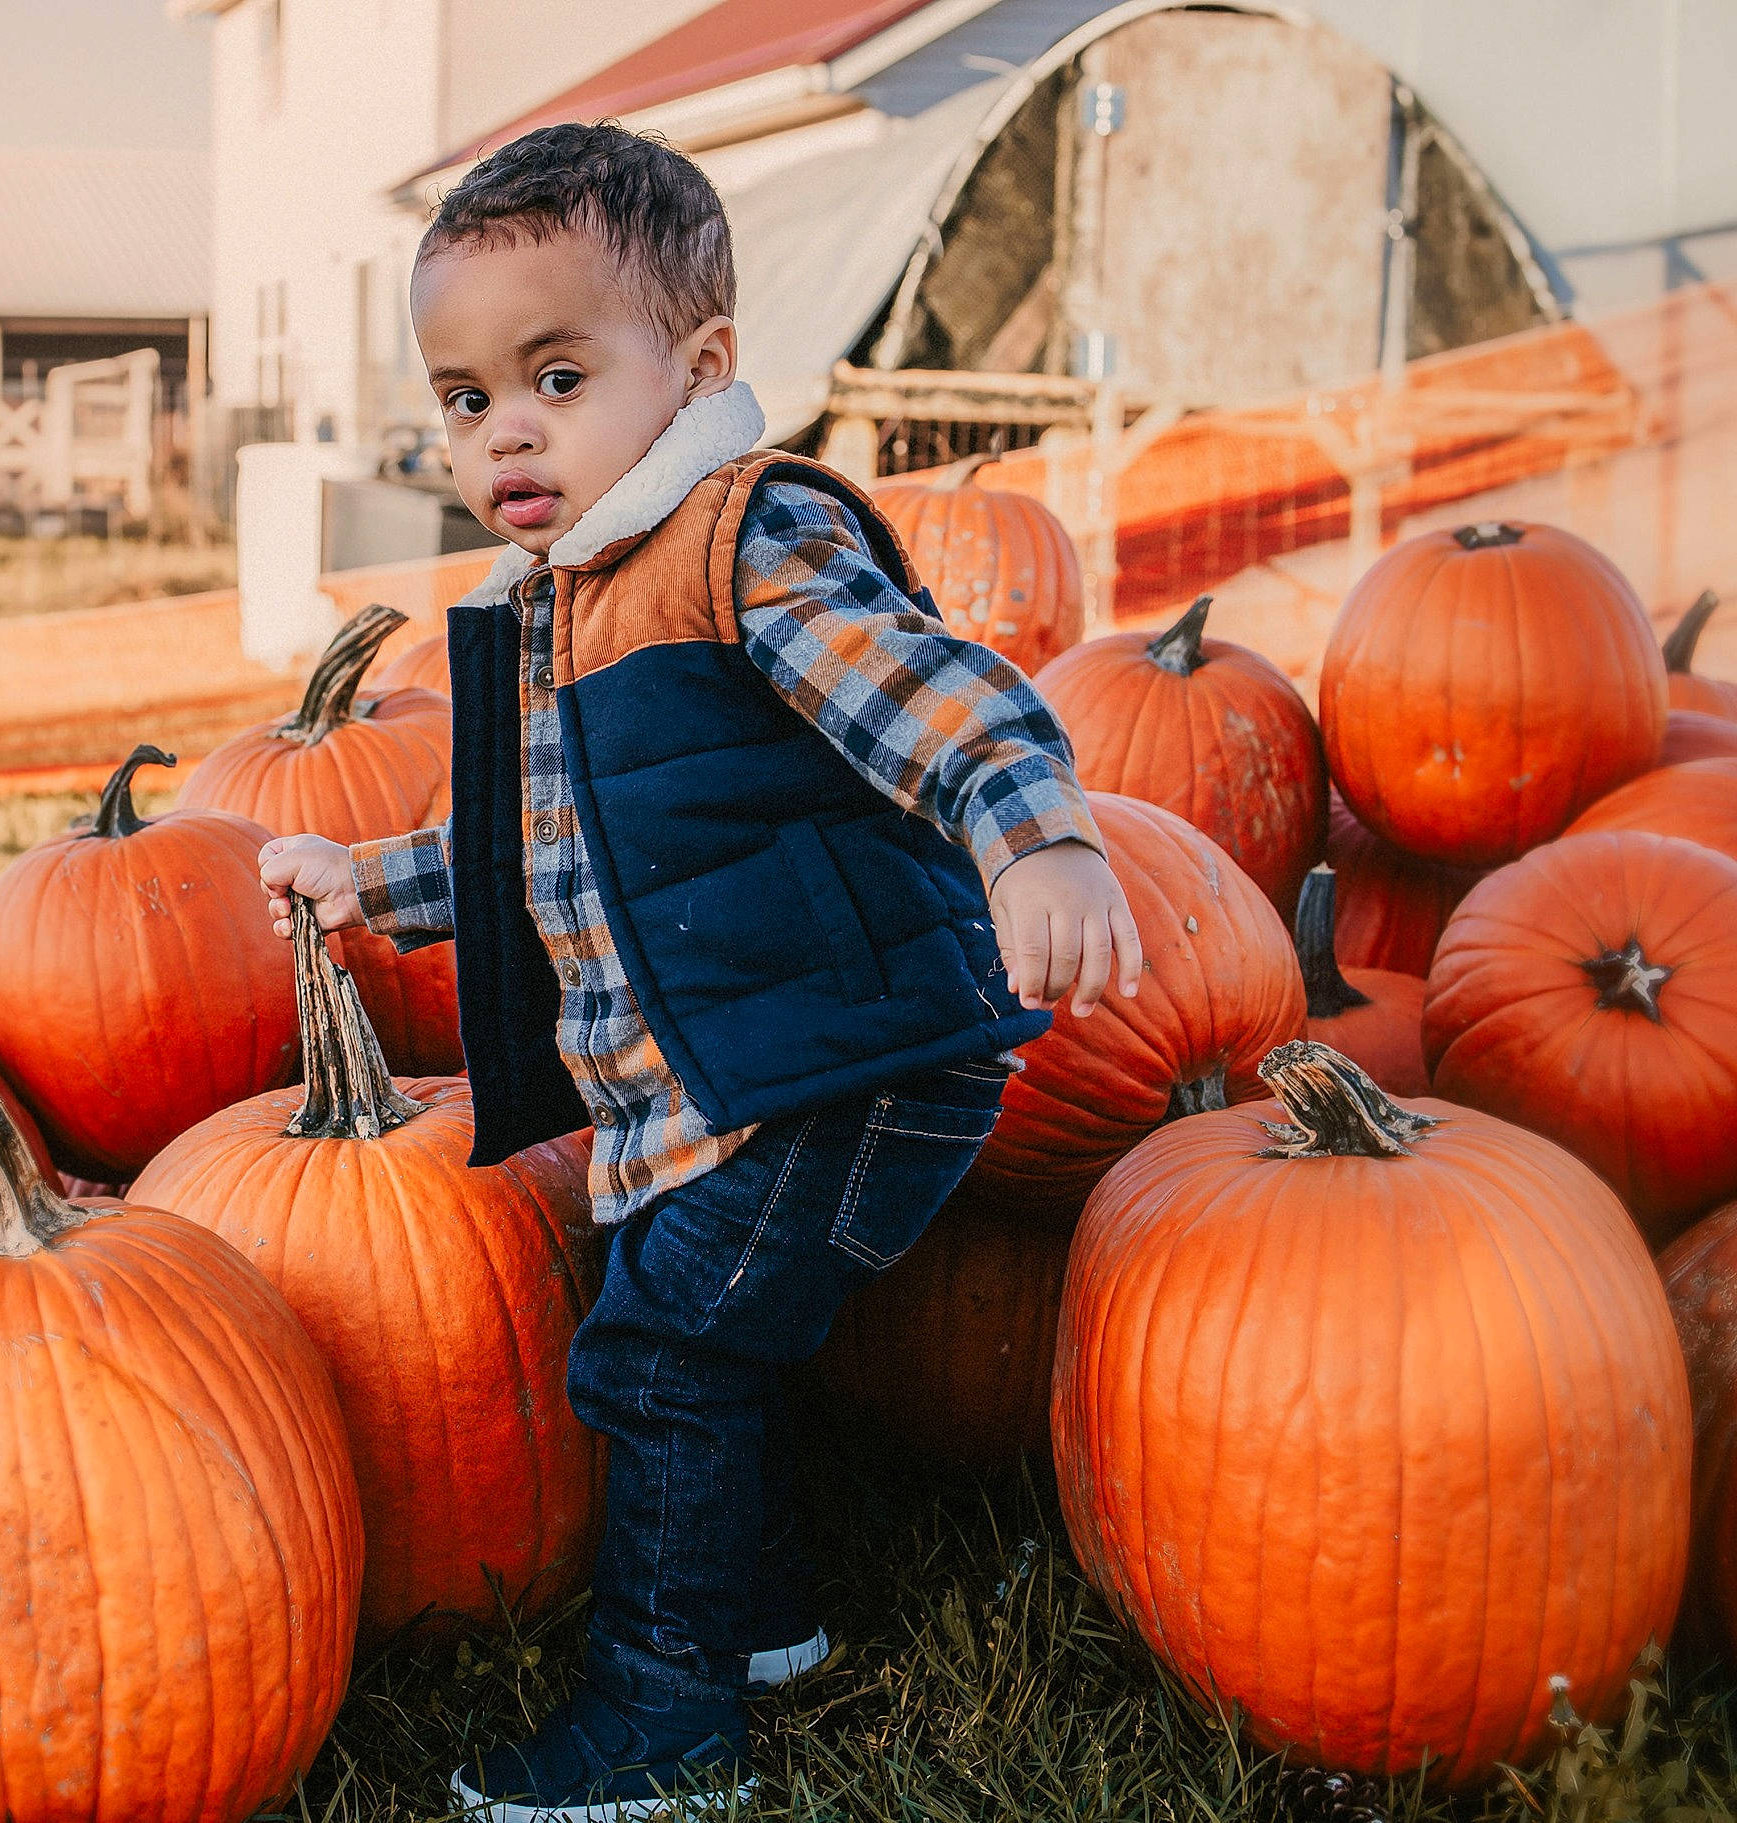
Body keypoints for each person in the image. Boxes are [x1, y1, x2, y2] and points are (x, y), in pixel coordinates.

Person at [259, 121, 1142, 1822]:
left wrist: (1035, 835)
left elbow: (936, 691)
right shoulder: (561, 601)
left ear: (702, 365)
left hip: (841, 1061)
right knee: (698, 1333)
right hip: (738, 1076)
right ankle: (760, 1622)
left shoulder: (742, 541)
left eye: (558, 377)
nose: (507, 430)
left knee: (661, 1357)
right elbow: (549, 846)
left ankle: (664, 1722)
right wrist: (368, 883)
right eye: (464, 399)